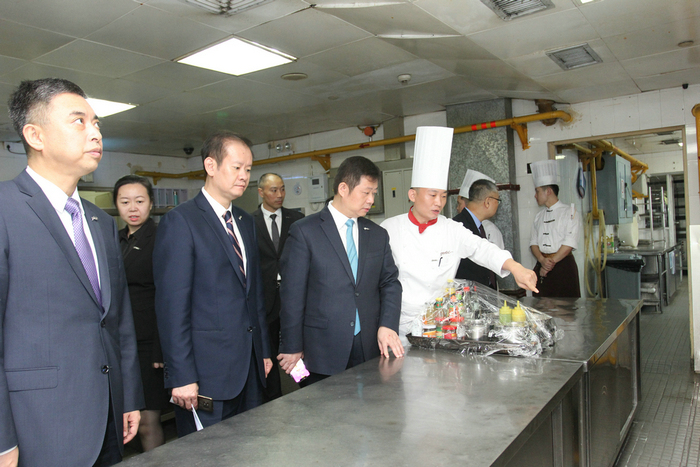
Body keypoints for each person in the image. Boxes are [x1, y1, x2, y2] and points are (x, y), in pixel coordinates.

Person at [0, 78, 143, 467]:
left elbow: (118, 320)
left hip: (108, 415)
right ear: (36, 135)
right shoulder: (6, 209)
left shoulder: (99, 221)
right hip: (38, 425)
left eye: (96, 123)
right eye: (79, 121)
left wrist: (129, 396)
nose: (95, 132)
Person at [153, 131, 272, 438]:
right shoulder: (181, 221)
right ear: (210, 166)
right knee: (209, 453)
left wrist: (263, 352)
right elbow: (172, 307)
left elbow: (254, 295)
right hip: (206, 375)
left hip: (249, 369)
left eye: (248, 169)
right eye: (237, 167)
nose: (244, 176)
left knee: (250, 448)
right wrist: (181, 375)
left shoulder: (245, 222)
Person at [380, 126, 538, 342]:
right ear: (412, 195)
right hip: (399, 327)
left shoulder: (451, 229)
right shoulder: (389, 228)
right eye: (432, 195)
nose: (439, 202)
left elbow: (482, 248)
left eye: (443, 196)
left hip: (442, 325)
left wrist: (516, 267)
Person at [277, 156, 404, 387]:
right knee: (321, 407)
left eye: (374, 193)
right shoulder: (305, 232)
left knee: (372, 404)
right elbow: (292, 293)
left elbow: (390, 283)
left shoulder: (377, 234)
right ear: (343, 188)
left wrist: (387, 325)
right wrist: (292, 346)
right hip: (320, 350)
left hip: (369, 347)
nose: (371, 200)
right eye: (366, 192)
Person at [113, 175, 168, 451]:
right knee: (126, 417)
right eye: (125, 202)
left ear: (151, 203)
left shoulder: (161, 237)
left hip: (149, 343)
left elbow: (168, 295)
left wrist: (162, 346)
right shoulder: (114, 238)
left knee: (147, 420)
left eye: (139, 201)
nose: (132, 208)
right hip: (121, 341)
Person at [252, 173, 304, 400]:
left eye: (282, 189)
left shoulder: (297, 220)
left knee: (296, 346)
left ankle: (305, 387)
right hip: (265, 298)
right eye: (273, 190)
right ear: (261, 192)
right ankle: (273, 398)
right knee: (269, 351)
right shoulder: (249, 222)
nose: (280, 194)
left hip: (292, 295)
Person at [529, 160, 581, 298]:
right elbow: (533, 243)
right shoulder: (539, 216)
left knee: (565, 307)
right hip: (542, 265)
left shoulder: (569, 212)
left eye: (537, 191)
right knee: (541, 306)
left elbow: (569, 243)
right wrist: (542, 261)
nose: (535, 195)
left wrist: (549, 264)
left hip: (563, 266)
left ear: (548, 191)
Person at [454, 176, 502, 289]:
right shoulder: (460, 225)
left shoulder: (478, 225)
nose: (498, 204)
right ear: (487, 202)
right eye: (497, 200)